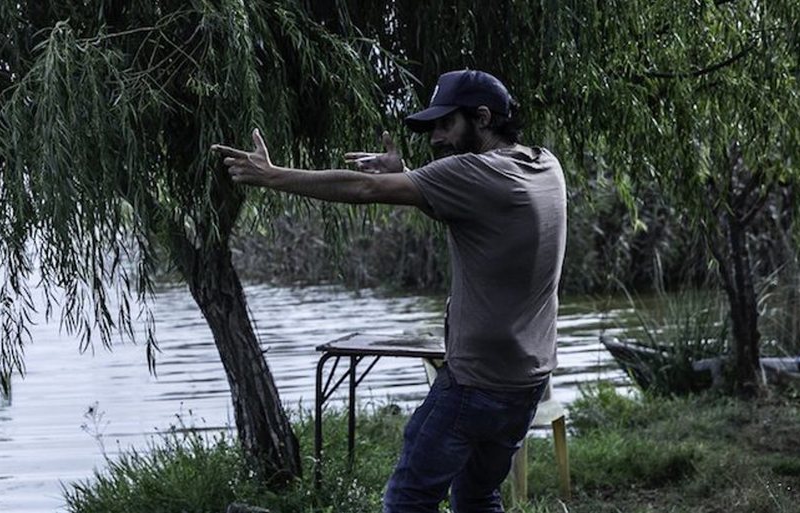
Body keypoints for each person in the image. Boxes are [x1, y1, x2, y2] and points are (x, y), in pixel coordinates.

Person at [211, 69, 566, 513]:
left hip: (476, 380)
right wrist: (413, 178)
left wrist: (274, 176)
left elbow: (364, 187)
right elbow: (479, 204)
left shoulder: (470, 172)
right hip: (528, 378)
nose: (435, 137)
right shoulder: (543, 164)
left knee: (408, 499)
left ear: (482, 117)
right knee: (477, 496)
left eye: (445, 124)